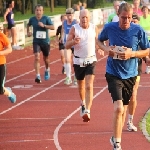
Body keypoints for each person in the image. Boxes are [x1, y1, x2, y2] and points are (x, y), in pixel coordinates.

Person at [97, 3, 150, 150]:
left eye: (128, 18)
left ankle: (115, 137)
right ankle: (118, 144)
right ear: (117, 15)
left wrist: (131, 54)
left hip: (131, 74)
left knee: (124, 109)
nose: (125, 21)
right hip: (113, 72)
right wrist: (107, 49)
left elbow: (147, 51)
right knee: (118, 108)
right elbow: (99, 40)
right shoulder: (110, 28)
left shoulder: (138, 30)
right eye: (123, 18)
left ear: (131, 16)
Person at [65, 9, 99, 122]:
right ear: (79, 18)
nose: (84, 19)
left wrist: (100, 48)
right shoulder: (75, 28)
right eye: (82, 17)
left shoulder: (94, 28)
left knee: (89, 85)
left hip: (91, 60)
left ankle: (87, 110)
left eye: (86, 17)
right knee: (81, 85)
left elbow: (98, 41)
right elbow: (66, 45)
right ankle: (83, 102)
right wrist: (73, 42)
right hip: (78, 61)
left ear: (89, 18)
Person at [27, 4, 54, 83]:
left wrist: (44, 25)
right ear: (35, 11)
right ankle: (38, 75)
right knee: (37, 57)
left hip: (45, 42)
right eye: (37, 10)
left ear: (42, 11)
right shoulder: (32, 19)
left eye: (40, 10)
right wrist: (28, 32)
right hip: (36, 41)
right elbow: (28, 25)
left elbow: (53, 27)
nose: (38, 12)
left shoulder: (46, 18)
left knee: (46, 59)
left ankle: (47, 69)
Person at [126, 13, 141, 132]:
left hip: (136, 67)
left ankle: (130, 121)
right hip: (122, 69)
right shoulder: (125, 33)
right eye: (133, 21)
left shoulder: (140, 34)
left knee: (133, 94)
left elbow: (146, 50)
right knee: (123, 97)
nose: (134, 24)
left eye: (136, 22)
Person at [61, 8, 78, 85]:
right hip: (67, 44)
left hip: (75, 44)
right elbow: (63, 30)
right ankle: (68, 77)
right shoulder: (64, 22)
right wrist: (61, 37)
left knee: (76, 61)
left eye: (70, 15)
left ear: (73, 15)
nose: (69, 17)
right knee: (67, 59)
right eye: (68, 15)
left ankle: (76, 76)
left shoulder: (76, 22)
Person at [0, 26, 16, 103]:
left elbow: (9, 49)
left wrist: (0, 53)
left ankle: (9, 93)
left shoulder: (1, 36)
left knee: (0, 89)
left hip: (1, 64)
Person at [139, 5, 150, 74]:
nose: (145, 11)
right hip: (143, 39)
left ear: (148, 11)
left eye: (146, 10)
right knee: (145, 54)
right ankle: (148, 66)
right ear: (142, 11)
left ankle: (148, 67)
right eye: (143, 10)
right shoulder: (140, 19)